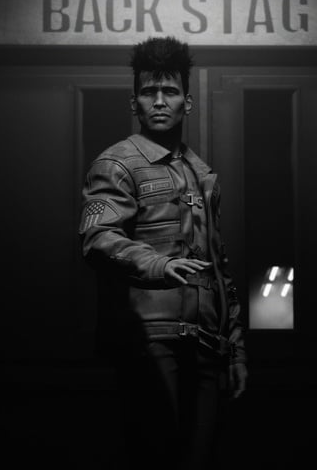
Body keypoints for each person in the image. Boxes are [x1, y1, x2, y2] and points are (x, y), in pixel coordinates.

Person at [78, 36, 247, 469]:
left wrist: (235, 349)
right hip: (149, 343)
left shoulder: (201, 172)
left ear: (186, 103)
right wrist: (158, 263)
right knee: (156, 457)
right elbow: (97, 238)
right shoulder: (117, 163)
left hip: (207, 345)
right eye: (148, 92)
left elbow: (219, 265)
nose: (158, 101)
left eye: (169, 91)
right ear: (133, 102)